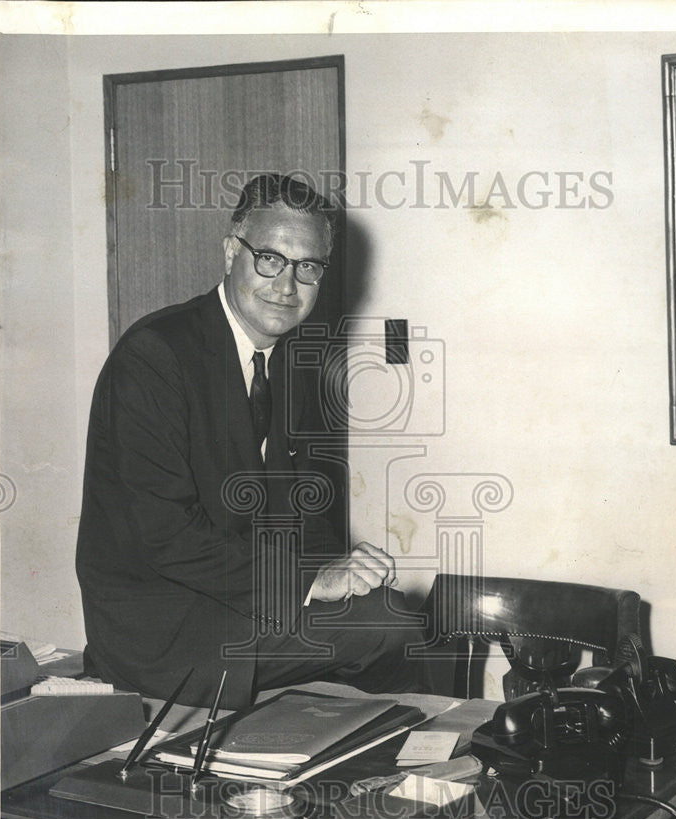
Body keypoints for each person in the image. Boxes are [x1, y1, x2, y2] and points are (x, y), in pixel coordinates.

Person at [76, 174, 428, 709]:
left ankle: (392, 763)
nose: (286, 287)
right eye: (269, 258)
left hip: (240, 594)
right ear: (229, 253)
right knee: (388, 625)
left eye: (307, 267)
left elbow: (298, 506)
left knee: (392, 614)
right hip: (160, 618)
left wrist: (345, 572)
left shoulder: (286, 357)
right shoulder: (155, 355)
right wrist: (312, 579)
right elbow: (164, 535)